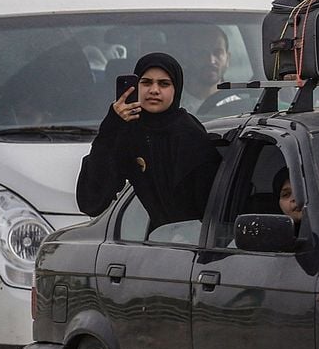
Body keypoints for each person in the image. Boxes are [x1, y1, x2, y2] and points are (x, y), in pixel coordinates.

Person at [76, 52, 221, 229]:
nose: (154, 90)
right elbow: (92, 201)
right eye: (146, 83)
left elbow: (207, 205)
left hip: (195, 240)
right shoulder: (131, 132)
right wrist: (112, 125)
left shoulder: (189, 134)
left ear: (176, 89)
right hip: (160, 239)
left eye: (164, 84)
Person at [180, 26, 229, 113]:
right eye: (202, 53)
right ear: (187, 58)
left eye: (217, 52)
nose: (211, 61)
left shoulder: (238, 106)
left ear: (228, 58)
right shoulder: (174, 105)